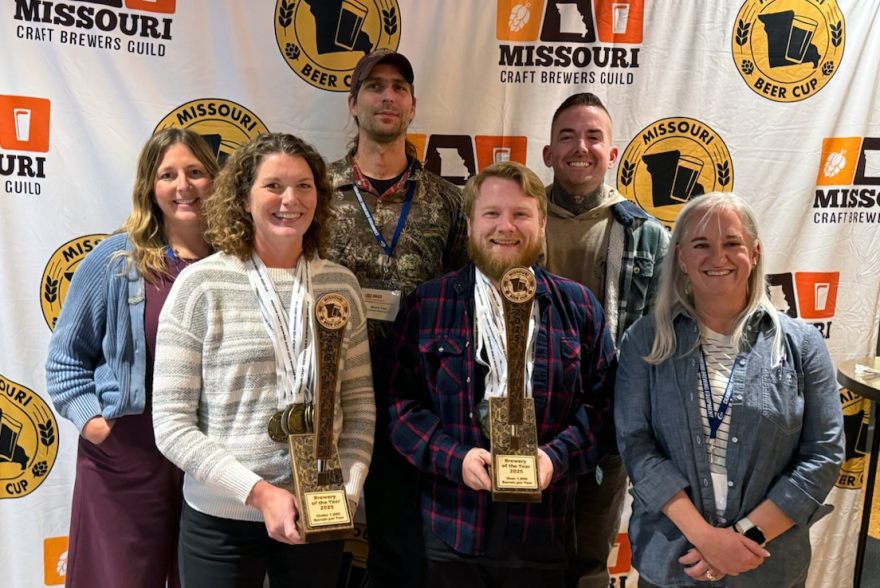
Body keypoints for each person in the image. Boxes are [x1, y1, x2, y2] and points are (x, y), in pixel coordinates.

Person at [152, 133, 375, 588]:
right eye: (273, 185)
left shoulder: (341, 286)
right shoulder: (201, 286)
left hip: (319, 512)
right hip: (222, 518)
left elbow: (359, 409)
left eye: (304, 186)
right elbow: (171, 425)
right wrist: (258, 494)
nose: (290, 199)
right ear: (244, 198)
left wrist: (344, 493)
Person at [380, 161, 617, 588]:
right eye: (491, 214)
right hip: (446, 531)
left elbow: (603, 409)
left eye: (521, 214)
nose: (505, 227)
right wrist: (455, 458)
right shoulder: (427, 305)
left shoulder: (579, 308)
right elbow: (398, 406)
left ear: (543, 224)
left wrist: (554, 458)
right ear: (470, 223)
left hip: (542, 535)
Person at [614, 192, 844, 588]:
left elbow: (823, 455)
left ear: (754, 253)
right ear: (682, 258)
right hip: (673, 561)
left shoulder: (803, 345)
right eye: (701, 245)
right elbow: (637, 446)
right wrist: (708, 541)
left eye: (732, 243)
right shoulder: (644, 341)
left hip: (766, 565)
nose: (717, 257)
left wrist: (744, 538)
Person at [45, 128, 219, 588]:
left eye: (196, 172)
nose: (183, 186)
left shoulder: (235, 265)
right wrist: (95, 424)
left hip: (209, 459)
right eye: (168, 174)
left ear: (216, 182)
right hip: (125, 456)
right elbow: (65, 360)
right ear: (149, 186)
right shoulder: (115, 261)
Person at [325, 49, 468, 587]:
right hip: (330, 393)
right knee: (315, 538)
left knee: (406, 542)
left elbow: (462, 301)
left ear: (412, 108)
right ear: (353, 103)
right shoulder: (315, 191)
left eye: (399, 88)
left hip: (418, 398)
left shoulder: (448, 203)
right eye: (374, 86)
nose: (387, 95)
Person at [541, 92, 670, 588]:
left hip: (604, 423)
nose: (581, 146)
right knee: (522, 554)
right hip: (526, 418)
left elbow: (659, 338)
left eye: (594, 137)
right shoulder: (518, 222)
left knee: (590, 558)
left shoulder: (647, 236)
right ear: (549, 153)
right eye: (567, 136)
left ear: (612, 153)